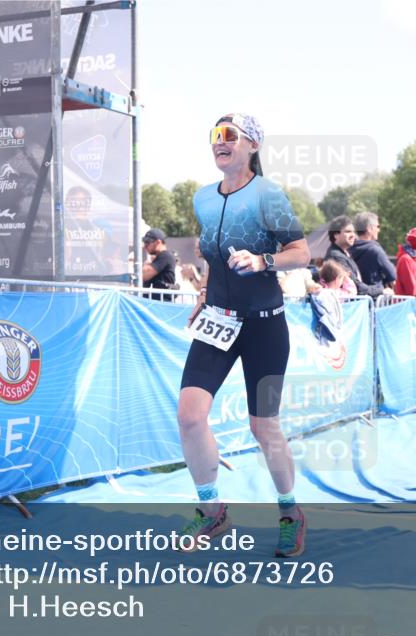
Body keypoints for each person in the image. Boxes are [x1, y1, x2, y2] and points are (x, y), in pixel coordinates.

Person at [179, 112, 311, 558]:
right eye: (215, 135)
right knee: (190, 416)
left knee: (264, 427)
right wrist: (202, 290)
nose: (221, 141)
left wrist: (263, 261)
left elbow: (302, 251)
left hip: (264, 327)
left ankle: (291, 513)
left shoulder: (267, 195)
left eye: (230, 136)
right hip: (218, 320)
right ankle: (211, 510)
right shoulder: (202, 198)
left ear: (252, 145)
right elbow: (214, 256)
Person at [324, 215, 388, 298]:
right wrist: (381, 290)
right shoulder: (336, 257)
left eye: (353, 232)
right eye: (348, 231)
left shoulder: (344, 253)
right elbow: (357, 287)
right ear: (336, 235)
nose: (353, 235)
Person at [349, 211, 396, 292]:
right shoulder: (375, 250)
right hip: (376, 298)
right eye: (377, 226)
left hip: (356, 298)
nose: (379, 230)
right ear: (369, 228)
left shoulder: (348, 249)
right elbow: (392, 274)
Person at [141, 228, 177, 294]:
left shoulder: (165, 256)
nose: (145, 246)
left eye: (147, 243)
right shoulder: (160, 257)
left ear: (158, 242)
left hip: (161, 302)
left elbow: (144, 275)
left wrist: (146, 265)